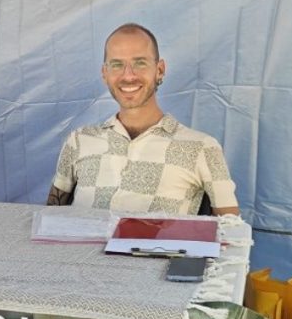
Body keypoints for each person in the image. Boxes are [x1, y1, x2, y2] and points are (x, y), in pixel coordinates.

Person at [47, 23, 240, 216]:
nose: (128, 76)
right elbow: (48, 220)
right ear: (104, 73)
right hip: (79, 247)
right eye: (117, 65)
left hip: (157, 248)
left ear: (160, 70)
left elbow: (230, 233)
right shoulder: (79, 140)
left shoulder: (202, 148)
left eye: (140, 63)